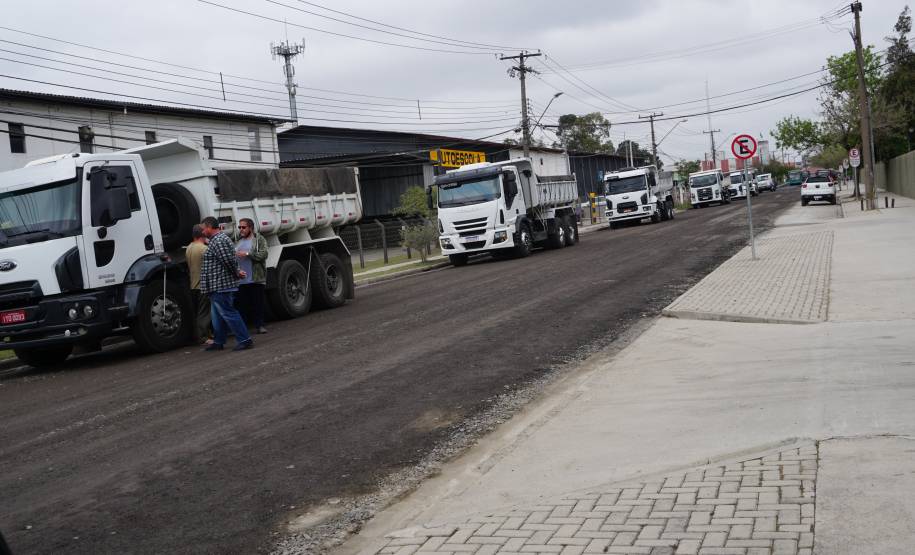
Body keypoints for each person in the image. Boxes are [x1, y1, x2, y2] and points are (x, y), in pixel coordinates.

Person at [199, 216, 253, 351]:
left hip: (221, 285)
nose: (202, 232)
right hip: (217, 285)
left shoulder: (219, 240)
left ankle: (245, 339)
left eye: (203, 229)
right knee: (217, 316)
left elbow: (227, 260)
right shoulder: (217, 240)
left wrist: (236, 273)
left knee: (228, 313)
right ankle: (219, 341)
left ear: (209, 227)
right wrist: (237, 272)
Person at [235, 218, 269, 334]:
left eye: (243, 227)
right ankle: (243, 329)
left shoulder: (259, 239)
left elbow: (264, 254)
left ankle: (260, 325)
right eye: (239, 227)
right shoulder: (238, 241)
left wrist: (247, 253)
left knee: (257, 304)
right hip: (241, 280)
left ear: (250, 228)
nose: (241, 229)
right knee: (242, 306)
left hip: (255, 278)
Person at [186, 225, 212, 344]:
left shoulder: (189, 247)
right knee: (204, 312)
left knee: (198, 311)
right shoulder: (204, 249)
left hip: (193, 284)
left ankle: (203, 334)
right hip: (203, 284)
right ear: (203, 234)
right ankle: (203, 337)